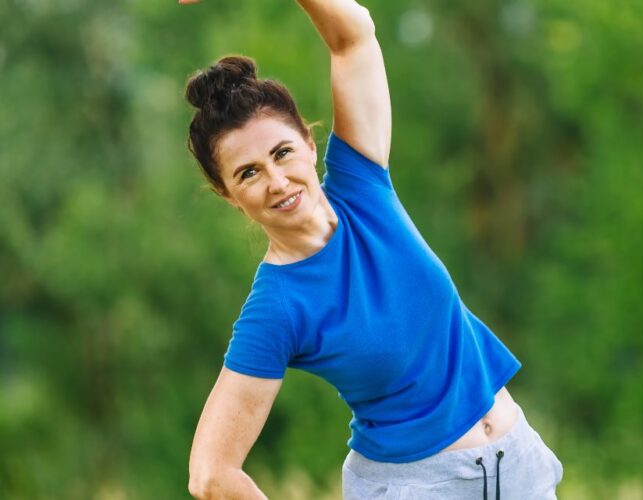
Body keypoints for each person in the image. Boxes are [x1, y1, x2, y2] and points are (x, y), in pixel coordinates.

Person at [180, 1, 563, 498]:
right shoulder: (275, 308)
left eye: (282, 153)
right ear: (231, 197)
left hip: (518, 467)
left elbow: (353, 37)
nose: (276, 181)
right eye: (248, 173)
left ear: (309, 143)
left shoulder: (362, 184)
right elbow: (210, 473)